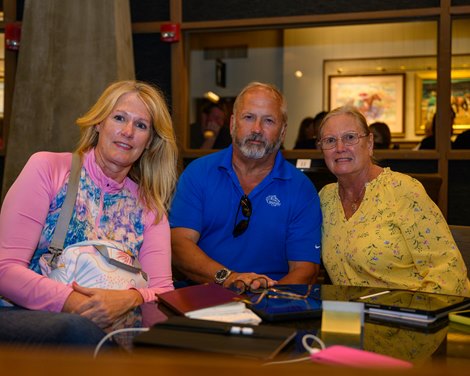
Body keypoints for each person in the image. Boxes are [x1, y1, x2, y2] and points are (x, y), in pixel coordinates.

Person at [0, 80, 178, 347]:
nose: (128, 132)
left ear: (149, 141)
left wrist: (129, 298)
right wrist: (78, 304)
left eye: (141, 125)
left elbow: (163, 294)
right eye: (119, 118)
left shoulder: (150, 210)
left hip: (113, 332)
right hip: (24, 316)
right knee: (80, 331)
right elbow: (5, 270)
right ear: (98, 123)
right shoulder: (48, 169)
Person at [170, 82, 322, 289]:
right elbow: (178, 245)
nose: (257, 129)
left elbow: (305, 271)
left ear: (283, 131)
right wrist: (228, 278)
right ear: (233, 124)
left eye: (268, 120)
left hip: (274, 303)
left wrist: (264, 303)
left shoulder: (301, 189)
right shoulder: (198, 174)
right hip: (201, 298)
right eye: (249, 117)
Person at [317, 106, 470, 296]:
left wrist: (416, 316)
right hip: (352, 320)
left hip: (414, 316)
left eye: (350, 137)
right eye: (330, 141)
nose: (340, 148)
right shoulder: (325, 199)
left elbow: (448, 271)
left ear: (370, 143)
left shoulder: (402, 190)